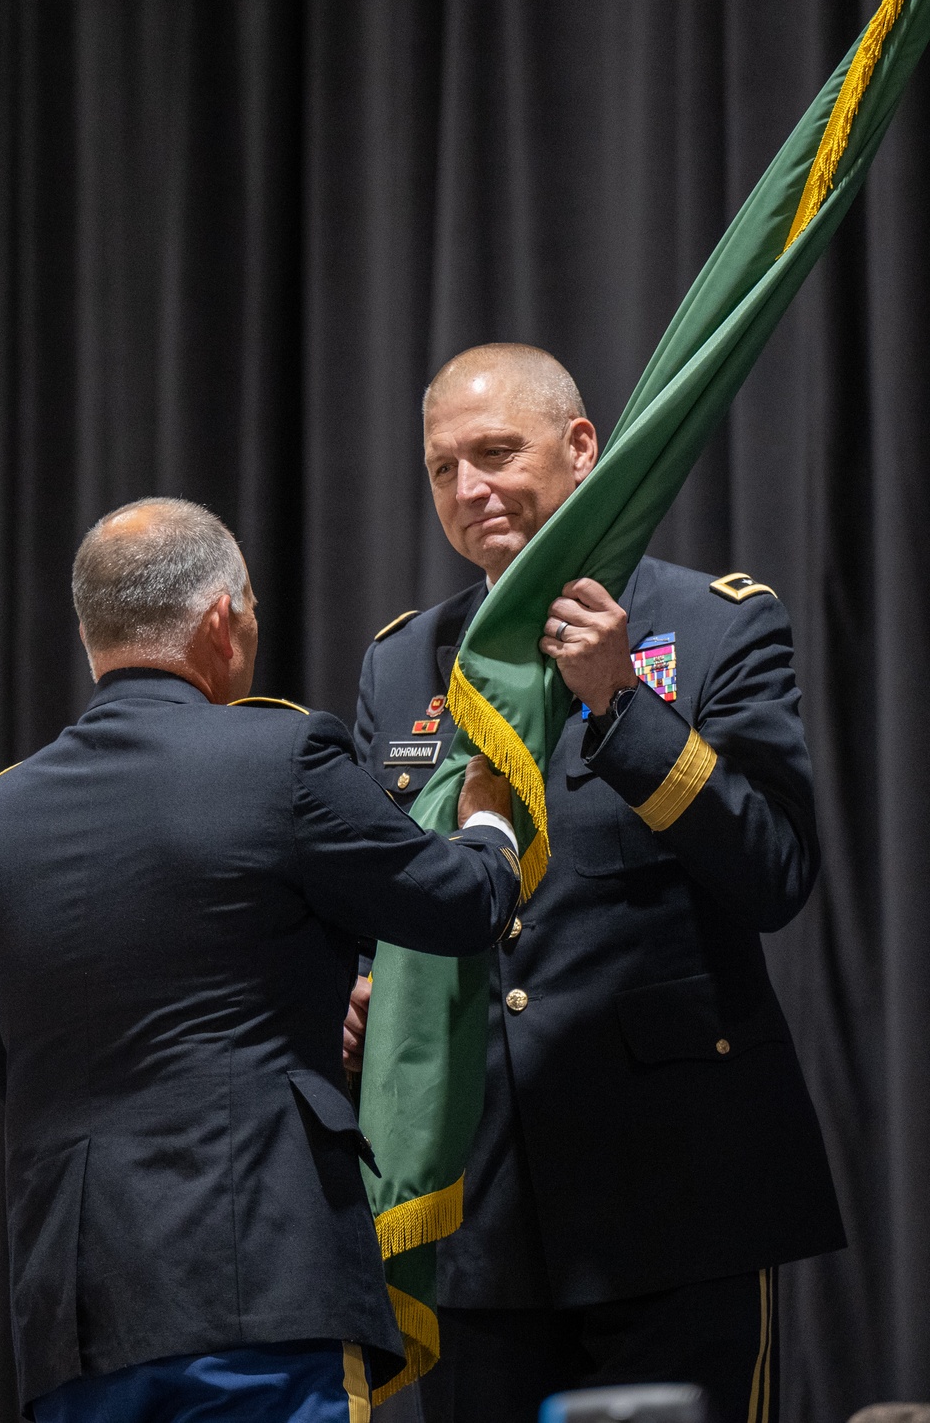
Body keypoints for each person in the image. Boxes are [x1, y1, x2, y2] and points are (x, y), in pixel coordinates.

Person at [0, 497, 522, 1423]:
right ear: (223, 619)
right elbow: (462, 907)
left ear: (95, 634)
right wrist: (488, 812)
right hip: (262, 1286)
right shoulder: (280, 756)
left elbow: (14, 1063)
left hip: (75, 1318)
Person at [350, 345, 845, 1423]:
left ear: (582, 449)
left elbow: (773, 872)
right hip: (475, 1205)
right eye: (443, 468)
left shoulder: (711, 624)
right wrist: (361, 979)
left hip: (672, 1197)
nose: (469, 488)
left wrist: (622, 706)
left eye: (494, 453)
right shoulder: (402, 663)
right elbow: (380, 883)